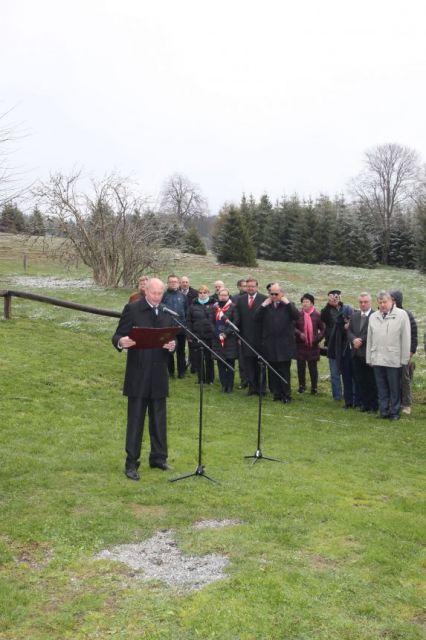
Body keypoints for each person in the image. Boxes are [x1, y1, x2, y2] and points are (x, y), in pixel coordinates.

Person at [112, 277, 176, 480]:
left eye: (160, 294)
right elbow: (117, 336)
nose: (157, 297)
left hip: (158, 374)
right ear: (146, 291)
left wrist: (172, 345)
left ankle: (158, 458)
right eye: (154, 293)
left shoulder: (166, 312)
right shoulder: (133, 309)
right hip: (138, 374)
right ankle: (131, 463)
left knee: (159, 420)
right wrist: (121, 341)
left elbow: (170, 339)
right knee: (136, 420)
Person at [366, 290, 411, 421]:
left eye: (385, 302)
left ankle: (395, 412)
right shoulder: (373, 317)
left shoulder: (402, 315)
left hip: (394, 359)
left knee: (394, 388)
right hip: (378, 358)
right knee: (381, 388)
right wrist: (369, 357)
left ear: (392, 302)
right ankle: (383, 411)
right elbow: (370, 338)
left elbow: (406, 338)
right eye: (380, 302)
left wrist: (404, 360)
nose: (382, 304)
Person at [255, 283, 300, 402]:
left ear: (282, 294)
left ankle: (286, 394)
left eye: (276, 294)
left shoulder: (288, 306)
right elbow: (256, 318)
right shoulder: (267, 306)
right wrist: (263, 305)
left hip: (284, 344)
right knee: (272, 371)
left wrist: (288, 303)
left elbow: (297, 316)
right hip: (270, 343)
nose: (274, 296)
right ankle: (276, 393)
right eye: (271, 294)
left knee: (284, 371)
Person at [321, 290, 355, 407]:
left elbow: (351, 319)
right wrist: (329, 304)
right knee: (335, 373)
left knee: (348, 373)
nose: (335, 299)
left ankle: (350, 396)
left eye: (337, 296)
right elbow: (323, 317)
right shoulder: (326, 311)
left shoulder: (346, 309)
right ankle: (337, 396)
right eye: (332, 297)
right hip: (333, 346)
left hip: (345, 345)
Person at [347, 292, 378, 413]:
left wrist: (361, 340)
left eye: (365, 302)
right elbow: (349, 331)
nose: (363, 304)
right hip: (356, 354)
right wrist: (353, 339)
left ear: (370, 302)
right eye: (361, 302)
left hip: (368, 354)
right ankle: (364, 404)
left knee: (371, 381)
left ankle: (373, 405)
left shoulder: (375, 315)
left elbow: (374, 332)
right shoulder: (354, 315)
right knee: (360, 380)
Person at [235, 277, 267, 395]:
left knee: (260, 364)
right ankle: (252, 388)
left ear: (257, 287)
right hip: (246, 338)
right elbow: (238, 319)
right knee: (248, 364)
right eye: (248, 286)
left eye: (252, 286)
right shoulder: (241, 300)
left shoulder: (264, 299)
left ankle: (262, 389)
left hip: (260, 339)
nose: (250, 288)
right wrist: (238, 336)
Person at [390, 290, 418, 416]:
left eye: (393, 299)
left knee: (404, 378)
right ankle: (394, 401)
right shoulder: (387, 313)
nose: (392, 302)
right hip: (390, 353)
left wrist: (411, 350)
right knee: (392, 378)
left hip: (404, 353)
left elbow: (414, 334)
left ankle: (406, 404)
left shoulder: (407, 314)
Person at [294, 293, 325, 395]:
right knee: (300, 367)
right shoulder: (298, 315)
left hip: (313, 346)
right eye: (303, 302)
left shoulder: (317, 315)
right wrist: (299, 334)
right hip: (300, 345)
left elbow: (323, 329)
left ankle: (314, 387)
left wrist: (316, 339)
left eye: (307, 302)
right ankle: (302, 386)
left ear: (312, 303)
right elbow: (293, 327)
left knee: (313, 368)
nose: (305, 304)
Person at [211, 288, 239, 392]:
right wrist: (217, 333)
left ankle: (230, 386)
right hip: (217, 339)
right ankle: (223, 385)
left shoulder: (233, 307)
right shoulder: (214, 307)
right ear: (218, 296)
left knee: (230, 363)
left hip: (229, 339)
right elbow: (210, 322)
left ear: (228, 296)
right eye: (221, 295)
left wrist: (226, 333)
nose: (223, 297)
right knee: (220, 363)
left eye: (225, 295)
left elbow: (235, 322)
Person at [187, 285, 215, 384]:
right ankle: (201, 379)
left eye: (204, 292)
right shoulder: (193, 305)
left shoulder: (214, 304)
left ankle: (210, 379)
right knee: (198, 358)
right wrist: (189, 335)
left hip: (209, 336)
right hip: (197, 335)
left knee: (209, 358)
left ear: (208, 293)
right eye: (200, 293)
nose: (202, 294)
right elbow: (189, 321)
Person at [162, 274, 188, 378]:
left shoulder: (183, 296)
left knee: (181, 351)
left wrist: (185, 324)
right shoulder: (163, 296)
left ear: (178, 283)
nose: (173, 283)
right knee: (169, 350)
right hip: (168, 328)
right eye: (171, 282)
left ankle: (181, 372)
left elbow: (186, 311)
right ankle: (170, 372)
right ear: (168, 283)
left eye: (175, 282)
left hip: (181, 327)